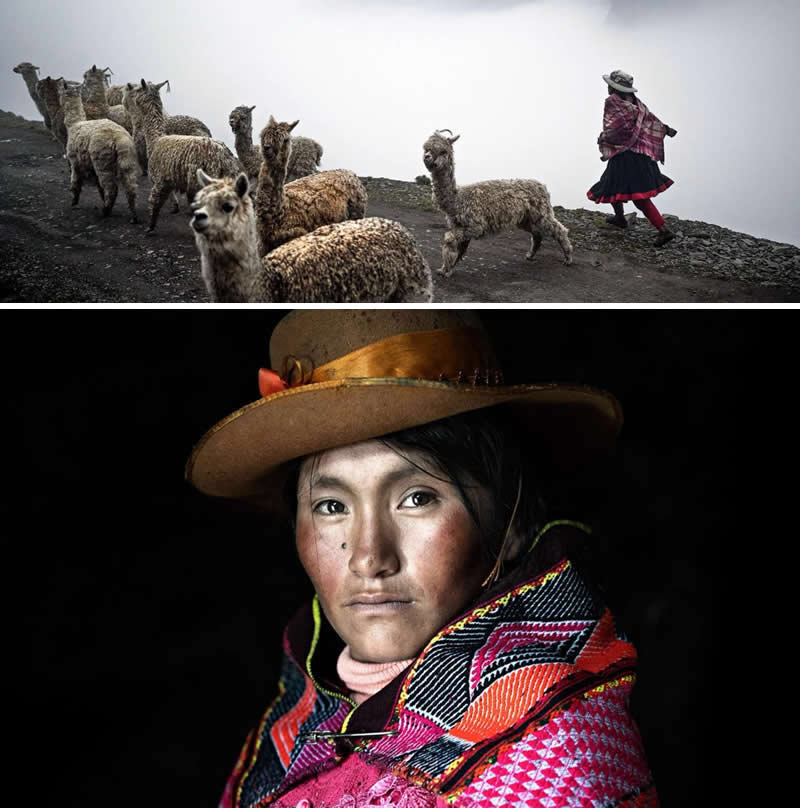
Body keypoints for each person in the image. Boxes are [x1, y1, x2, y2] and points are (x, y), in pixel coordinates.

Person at [185, 309, 659, 808]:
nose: (369, 558)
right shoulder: (294, 730)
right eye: (331, 507)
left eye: (417, 498)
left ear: (511, 524)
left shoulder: (556, 755)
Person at [587, 69, 678, 248]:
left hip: (625, 156)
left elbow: (615, 130)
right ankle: (620, 218)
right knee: (614, 185)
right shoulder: (636, 102)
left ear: (613, 88)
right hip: (642, 156)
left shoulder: (612, 101)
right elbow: (650, 120)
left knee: (630, 193)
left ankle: (663, 230)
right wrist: (665, 129)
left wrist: (604, 138)